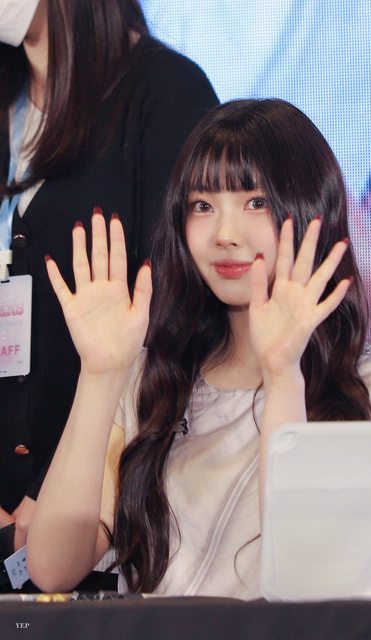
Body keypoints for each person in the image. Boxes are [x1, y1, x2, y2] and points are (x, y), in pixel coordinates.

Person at [27, 99, 371, 597]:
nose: (225, 235)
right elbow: (52, 569)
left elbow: (313, 572)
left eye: (256, 202)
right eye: (202, 206)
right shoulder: (153, 380)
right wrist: (100, 375)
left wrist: (282, 373)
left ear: (312, 208)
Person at [0, 0, 218, 549]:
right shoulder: (9, 95)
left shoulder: (166, 93)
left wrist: (61, 487)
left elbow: (176, 314)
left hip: (96, 508)